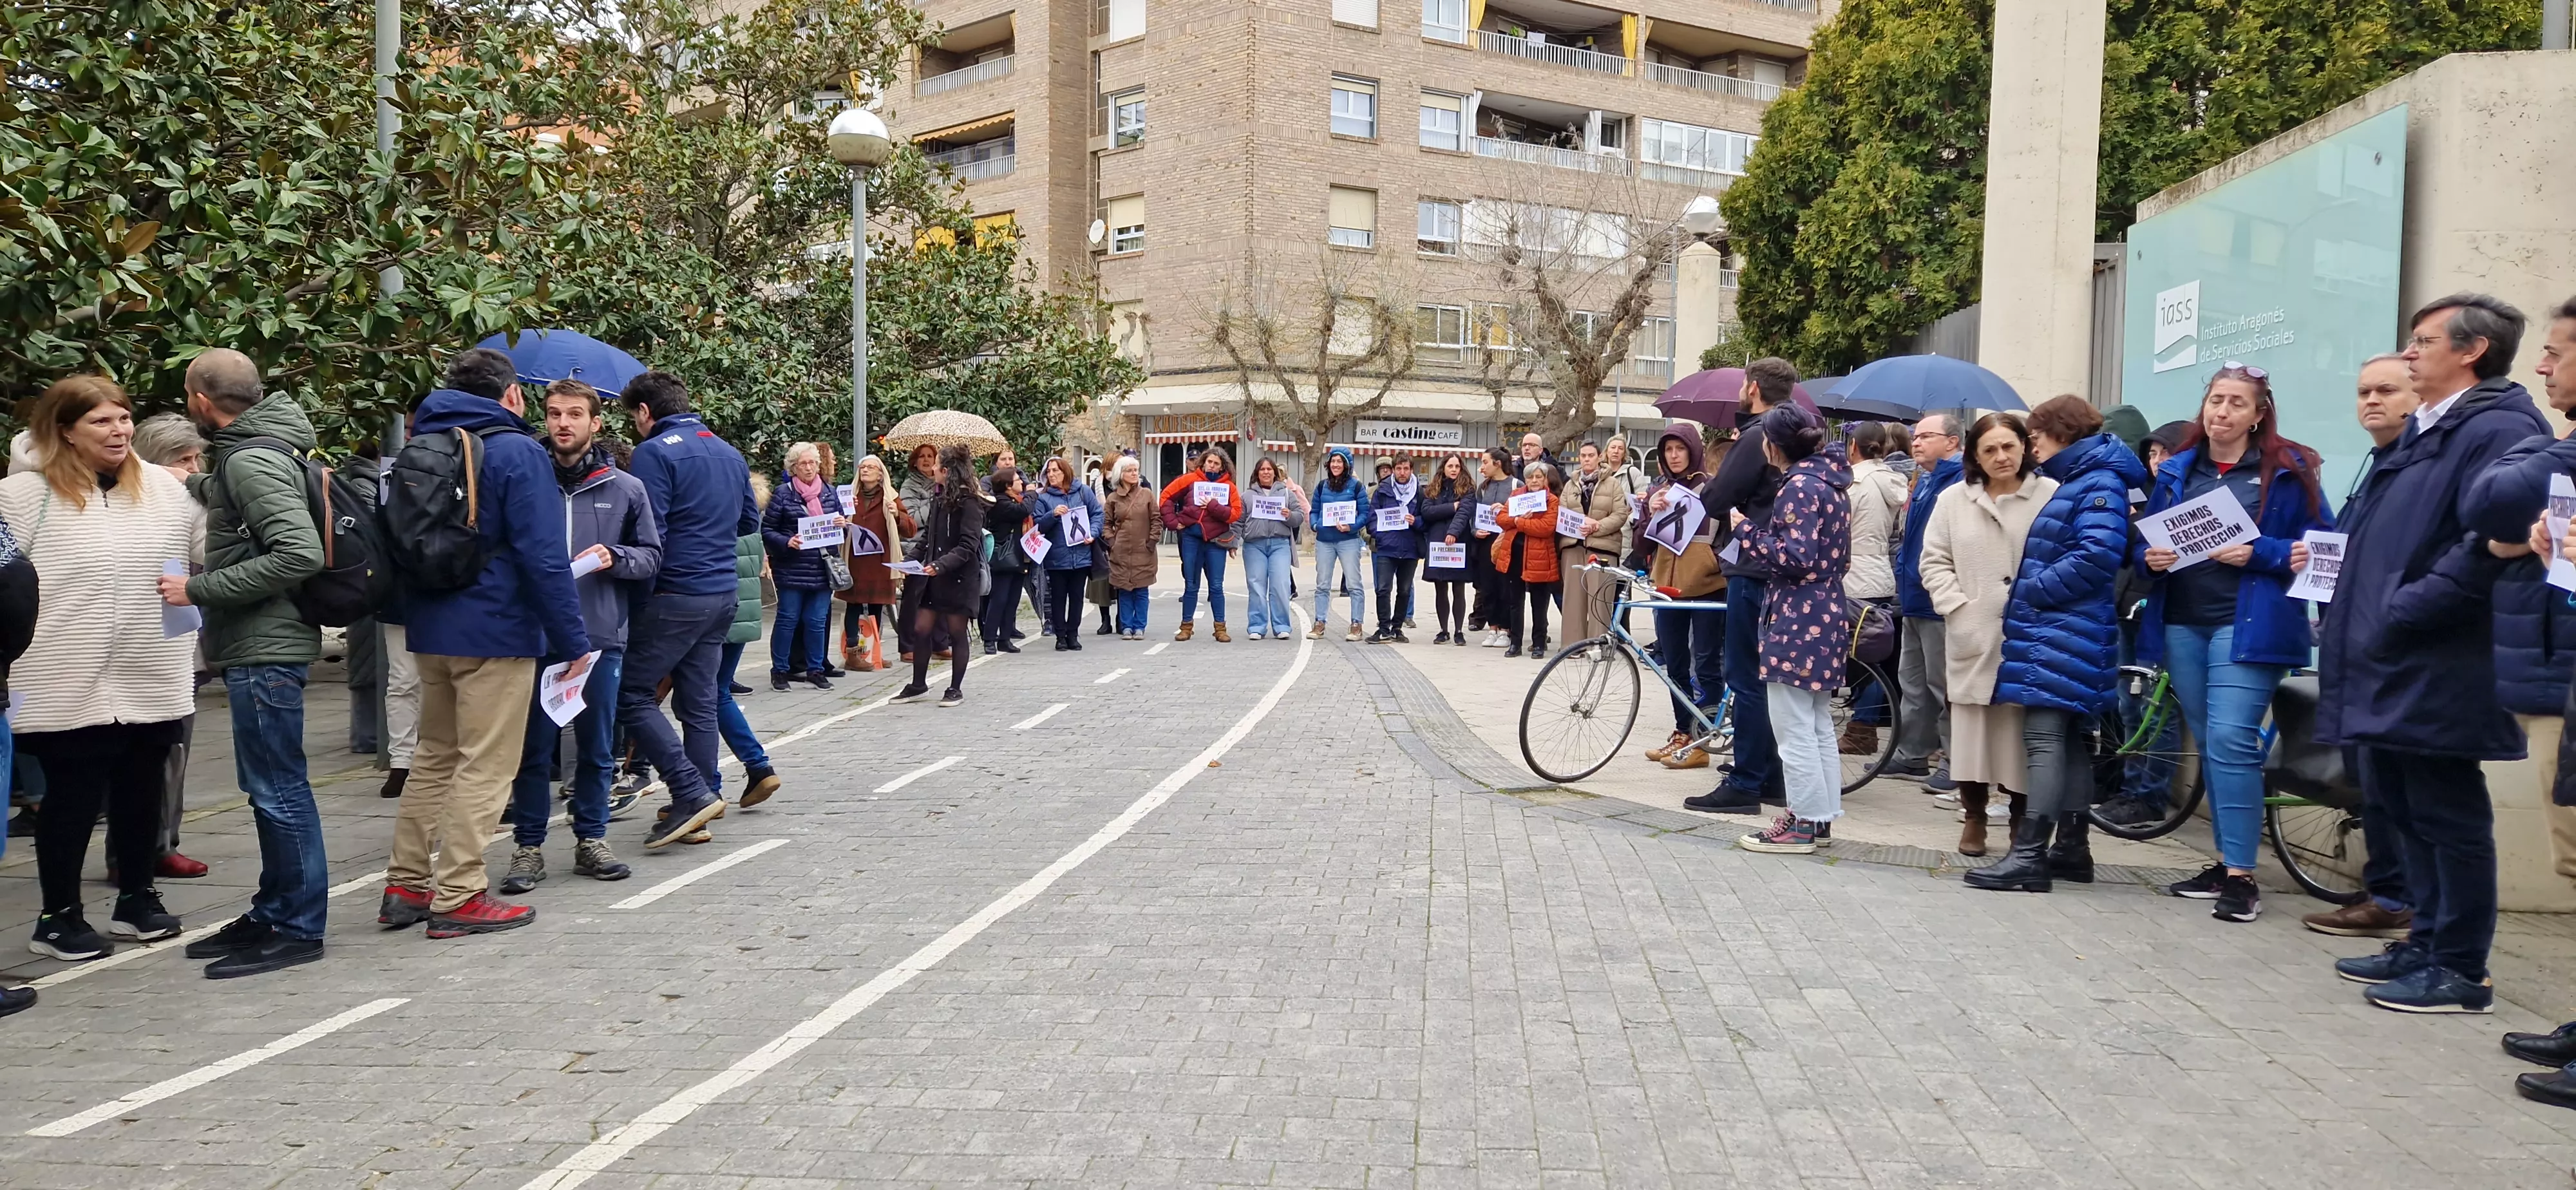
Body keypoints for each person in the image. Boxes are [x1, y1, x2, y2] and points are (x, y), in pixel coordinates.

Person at [2319, 293, 2543, 1014]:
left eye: (2422, 342)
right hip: (2391, 652)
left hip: (2442, 654)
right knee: (2403, 806)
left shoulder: (2500, 427)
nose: (2409, 353)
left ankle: (2461, 967)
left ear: (2471, 350)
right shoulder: (2426, 429)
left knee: (2448, 814)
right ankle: (2422, 939)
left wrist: (2404, 610)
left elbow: (2486, 544)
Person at [377, 349, 592, 939]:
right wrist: (572, 638)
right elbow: (544, 557)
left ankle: (406, 884)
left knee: (434, 756)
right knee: (486, 764)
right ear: (513, 396)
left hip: (431, 628)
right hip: (495, 628)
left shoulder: (423, 444)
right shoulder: (516, 451)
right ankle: (459, 895)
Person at [3, 376, 202, 965]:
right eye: (101, 422)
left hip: (150, 667)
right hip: (62, 673)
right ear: (64, 430)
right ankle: (58, 916)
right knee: (73, 795)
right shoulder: (20, 498)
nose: (118, 432)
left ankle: (137, 898)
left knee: (143, 787)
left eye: (123, 419)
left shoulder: (165, 492)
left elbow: (206, 551)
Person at [2130, 366, 2333, 921]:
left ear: (2259, 413)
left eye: (2236, 403)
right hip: (2182, 623)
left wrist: (2260, 553)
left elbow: (2324, 549)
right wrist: (2149, 558)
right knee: (2214, 743)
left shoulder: (2290, 470)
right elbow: (2145, 545)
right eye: (2215, 400)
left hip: (2250, 626)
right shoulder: (2178, 469)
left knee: (2229, 739)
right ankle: (2225, 862)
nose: (2222, 411)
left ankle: (2243, 876)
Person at [157, 350, 336, 976]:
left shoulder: (254, 458)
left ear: (202, 400)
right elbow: (246, 514)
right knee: (268, 790)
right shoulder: (257, 452)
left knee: (278, 790)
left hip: (268, 648)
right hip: (260, 646)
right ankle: (273, 908)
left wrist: (197, 590)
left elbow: (298, 553)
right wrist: (196, 484)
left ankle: (298, 926)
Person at [1967, 396, 2147, 892]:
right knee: (2067, 742)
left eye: (2037, 435)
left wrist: (2031, 589)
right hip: (2065, 632)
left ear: (2062, 433)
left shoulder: (2096, 483)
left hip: (2062, 630)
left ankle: (2029, 856)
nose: (2032, 446)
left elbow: (2096, 556)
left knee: (2045, 739)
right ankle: (2071, 850)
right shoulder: (2089, 479)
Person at [497, 379, 659, 896]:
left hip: (600, 638)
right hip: (536, 638)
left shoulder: (626, 488)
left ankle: (591, 838)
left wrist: (621, 558)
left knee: (595, 748)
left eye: (573, 414)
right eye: (553, 414)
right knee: (534, 750)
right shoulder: (526, 480)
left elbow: (653, 556)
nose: (562, 423)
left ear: (596, 423)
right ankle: (528, 847)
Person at [2293, 356, 2421, 940]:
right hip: (2358, 647)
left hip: (2397, 650)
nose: (2372, 401)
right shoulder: (2378, 464)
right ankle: (2388, 894)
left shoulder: (2423, 461)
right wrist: (2312, 559)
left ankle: (2404, 906)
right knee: (2378, 785)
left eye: (2387, 390)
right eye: (2364, 391)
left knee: (2416, 796)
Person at [616, 371, 758, 851]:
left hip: (674, 593)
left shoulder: (654, 452)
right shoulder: (728, 451)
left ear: (644, 412)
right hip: (721, 593)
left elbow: (646, 526)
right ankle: (701, 801)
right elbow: (747, 521)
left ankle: (689, 791)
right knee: (698, 704)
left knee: (631, 694)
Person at [1920, 414, 2054, 858]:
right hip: (1973, 634)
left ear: (2025, 447)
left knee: (2021, 736)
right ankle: (1974, 815)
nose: (2001, 457)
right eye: (1990, 450)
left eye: (2009, 447)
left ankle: (2021, 820)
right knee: (1972, 734)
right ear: (1975, 456)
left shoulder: (2050, 497)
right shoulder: (1953, 500)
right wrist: (1958, 608)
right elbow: (1934, 561)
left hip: (2030, 637)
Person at [1727, 404, 1852, 853]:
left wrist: (1745, 531)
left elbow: (1795, 557)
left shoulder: (1797, 485)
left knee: (1794, 725)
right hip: (1827, 607)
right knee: (1815, 723)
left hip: (1798, 614)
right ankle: (1818, 817)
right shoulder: (1833, 484)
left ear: (1772, 446)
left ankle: (1801, 823)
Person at [1694, 356, 1799, 811]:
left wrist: (1710, 487)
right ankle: (1772, 776)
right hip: (1775, 566)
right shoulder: (1791, 431)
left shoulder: (1758, 434)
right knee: (1765, 678)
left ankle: (1747, 782)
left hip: (1753, 565)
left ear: (1753, 388)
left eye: (1742, 385)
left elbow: (1719, 497)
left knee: (1746, 675)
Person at [125, 413, 211, 881]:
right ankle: (142, 849)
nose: (195, 467)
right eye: (185, 459)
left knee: (173, 753)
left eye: (198, 456)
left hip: (179, 641)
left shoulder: (189, 497)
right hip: (141, 641)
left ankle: (159, 843)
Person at [1640, 423, 1727, 771]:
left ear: (1693, 449)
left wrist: (1715, 565)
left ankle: (1704, 737)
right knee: (1674, 664)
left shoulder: (1715, 489)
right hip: (1667, 589)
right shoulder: (1660, 490)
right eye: (1668, 450)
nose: (1674, 456)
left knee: (1705, 663)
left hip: (1707, 585)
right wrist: (1650, 510)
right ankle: (1682, 733)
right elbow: (1642, 546)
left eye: (1680, 449)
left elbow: (1729, 533)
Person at [1889, 413, 1964, 788]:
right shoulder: (1926, 480)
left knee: (1945, 684)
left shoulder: (1961, 481)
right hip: (1914, 596)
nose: (1915, 443)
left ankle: (1956, 762)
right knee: (1913, 681)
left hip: (1938, 599)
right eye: (1915, 437)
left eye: (1925, 436)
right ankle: (1911, 754)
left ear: (1952, 442)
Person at [1838, 422, 1908, 756]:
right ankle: (1864, 725)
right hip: (1881, 573)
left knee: (1856, 661)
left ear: (1854, 446)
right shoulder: (1894, 482)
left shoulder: (1855, 485)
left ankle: (1861, 729)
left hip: (1853, 576)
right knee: (1873, 655)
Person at [895, 444, 982, 706]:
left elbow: (968, 546)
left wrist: (941, 565)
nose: (932, 468)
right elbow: (927, 541)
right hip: (934, 577)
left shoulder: (971, 502)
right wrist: (906, 562)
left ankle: (955, 688)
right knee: (921, 628)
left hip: (959, 578)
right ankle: (918, 684)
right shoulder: (938, 498)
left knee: (957, 632)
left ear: (946, 470)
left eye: (936, 465)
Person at [758, 442, 846, 690]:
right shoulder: (783, 494)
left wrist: (842, 524)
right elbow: (768, 530)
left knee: (817, 621)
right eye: (803, 464)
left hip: (821, 568)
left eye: (813, 463)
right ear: (793, 468)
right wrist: (787, 542)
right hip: (793, 569)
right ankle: (780, 670)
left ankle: (816, 669)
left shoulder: (829, 492)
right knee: (788, 619)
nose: (809, 468)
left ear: (819, 465)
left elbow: (841, 530)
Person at [836, 454, 913, 671]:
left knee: (877, 605)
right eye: (862, 467)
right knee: (854, 603)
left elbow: (910, 529)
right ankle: (853, 654)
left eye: (871, 467)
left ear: (881, 475)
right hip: (855, 560)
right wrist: (842, 516)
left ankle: (873, 651)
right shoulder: (849, 496)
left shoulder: (891, 497)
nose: (865, 470)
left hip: (881, 561)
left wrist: (897, 515)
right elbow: (834, 523)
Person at [1160, 448, 1242, 642]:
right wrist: (1172, 522)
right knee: (1191, 585)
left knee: (1216, 586)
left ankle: (1220, 628)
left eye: (1216, 463)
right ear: (1203, 463)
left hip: (1215, 541)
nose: (1212, 466)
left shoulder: (1229, 487)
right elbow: (1166, 497)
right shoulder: (1189, 480)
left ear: (1223, 466)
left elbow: (1235, 513)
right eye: (1209, 462)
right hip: (1191, 538)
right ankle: (1186, 627)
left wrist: (1213, 506)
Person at [1556, 441, 1633, 646]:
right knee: (1573, 600)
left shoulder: (1612, 484)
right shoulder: (1570, 484)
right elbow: (1562, 513)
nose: (1587, 459)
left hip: (1603, 549)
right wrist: (1582, 524)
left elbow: (1620, 514)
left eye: (1591, 455)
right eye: (1583, 456)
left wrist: (1596, 526)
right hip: (1573, 545)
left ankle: (1597, 646)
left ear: (1600, 457)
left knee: (1600, 600)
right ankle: (1572, 646)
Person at [1029, 456, 1106, 650]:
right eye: (1049, 471)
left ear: (1065, 472)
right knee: (1058, 598)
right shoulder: (1044, 497)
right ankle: (1060, 636)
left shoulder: (1083, 492)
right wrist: (1052, 514)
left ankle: (1073, 634)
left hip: (1081, 555)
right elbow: (1038, 526)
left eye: (1056, 470)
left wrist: (1093, 533)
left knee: (1077, 598)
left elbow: (1097, 514)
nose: (1052, 474)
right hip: (1057, 557)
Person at [1492, 460, 1561, 659]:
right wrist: (1517, 520)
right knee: (1515, 602)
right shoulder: (1516, 495)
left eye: (1539, 477)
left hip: (1539, 558)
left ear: (1545, 479)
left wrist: (1519, 522)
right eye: (1531, 477)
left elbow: (1546, 528)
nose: (1535, 481)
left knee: (1539, 603)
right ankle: (1515, 643)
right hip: (1514, 555)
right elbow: (1502, 520)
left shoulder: (1551, 500)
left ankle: (1539, 644)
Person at [1238, 457, 1307, 641]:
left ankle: (1282, 626)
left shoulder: (1286, 494)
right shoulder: (1247, 496)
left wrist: (1289, 515)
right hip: (1254, 545)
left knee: (1280, 586)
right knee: (1256, 586)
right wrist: (1232, 543)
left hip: (1279, 544)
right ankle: (1257, 626)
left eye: (1269, 469)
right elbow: (1238, 521)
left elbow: (1299, 517)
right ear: (1257, 473)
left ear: (1275, 473)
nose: (1266, 472)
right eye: (1262, 469)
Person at [896, 442, 953, 662]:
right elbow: (913, 520)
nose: (927, 460)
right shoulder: (909, 486)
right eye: (922, 457)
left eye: (931, 456)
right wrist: (934, 502)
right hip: (916, 547)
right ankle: (907, 645)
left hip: (939, 548)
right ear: (915, 461)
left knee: (938, 595)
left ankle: (939, 643)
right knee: (914, 597)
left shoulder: (943, 484)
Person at [1307, 448, 1368, 641]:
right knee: (1322, 584)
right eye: (1333, 461)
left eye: (1339, 462)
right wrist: (1315, 524)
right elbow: (1314, 510)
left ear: (1347, 465)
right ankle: (1319, 622)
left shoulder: (1357, 487)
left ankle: (1356, 623)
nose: (1335, 465)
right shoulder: (1321, 486)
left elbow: (1364, 514)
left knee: (1354, 584)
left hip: (1348, 541)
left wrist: (1351, 527)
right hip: (1325, 540)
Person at [1366, 455, 1425, 643]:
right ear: (1393, 470)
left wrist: (1416, 521)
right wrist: (1380, 534)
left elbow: (1428, 518)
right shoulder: (1382, 490)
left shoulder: (1420, 493)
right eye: (1399, 469)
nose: (1402, 473)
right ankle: (1384, 628)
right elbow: (1372, 518)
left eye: (1406, 469)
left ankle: (1397, 627)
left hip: (1410, 548)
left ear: (1411, 470)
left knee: (1405, 590)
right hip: (1386, 547)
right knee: (1383, 589)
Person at [1102, 455, 1158, 639]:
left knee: (1142, 590)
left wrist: (1151, 541)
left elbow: (1156, 520)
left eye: (1136, 470)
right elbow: (1106, 523)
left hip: (1144, 550)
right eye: (1130, 470)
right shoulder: (1113, 498)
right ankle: (1126, 626)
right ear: (1121, 474)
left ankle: (1140, 626)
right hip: (1121, 551)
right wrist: (1111, 542)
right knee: (1124, 590)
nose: (1134, 473)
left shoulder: (1147, 495)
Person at [1422, 455, 1477, 644]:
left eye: (1457, 466)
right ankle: (1443, 630)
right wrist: (1451, 507)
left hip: (1459, 542)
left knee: (1458, 588)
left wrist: (1453, 531)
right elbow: (1427, 512)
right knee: (1440, 588)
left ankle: (1459, 631)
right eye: (1450, 466)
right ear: (1443, 468)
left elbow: (1464, 512)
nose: (1454, 469)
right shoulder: (1433, 489)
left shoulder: (1468, 489)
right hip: (1437, 543)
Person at [983, 467, 1033, 653]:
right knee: (999, 599)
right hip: (1003, 558)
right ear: (1008, 486)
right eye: (1018, 480)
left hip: (1018, 556)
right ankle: (989, 638)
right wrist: (1032, 493)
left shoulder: (1014, 500)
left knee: (1012, 600)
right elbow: (1023, 510)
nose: (1022, 482)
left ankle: (1005, 638)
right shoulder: (1000, 502)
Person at [1471, 448, 1515, 647]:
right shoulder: (1483, 488)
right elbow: (1474, 514)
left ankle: (1506, 630)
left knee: (1504, 587)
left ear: (1497, 464)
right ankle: (1492, 627)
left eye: (1485, 462)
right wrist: (1475, 530)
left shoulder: (1516, 484)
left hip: (1507, 542)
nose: (1482, 467)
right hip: (1485, 542)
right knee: (1487, 587)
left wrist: (1505, 510)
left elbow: (1522, 511)